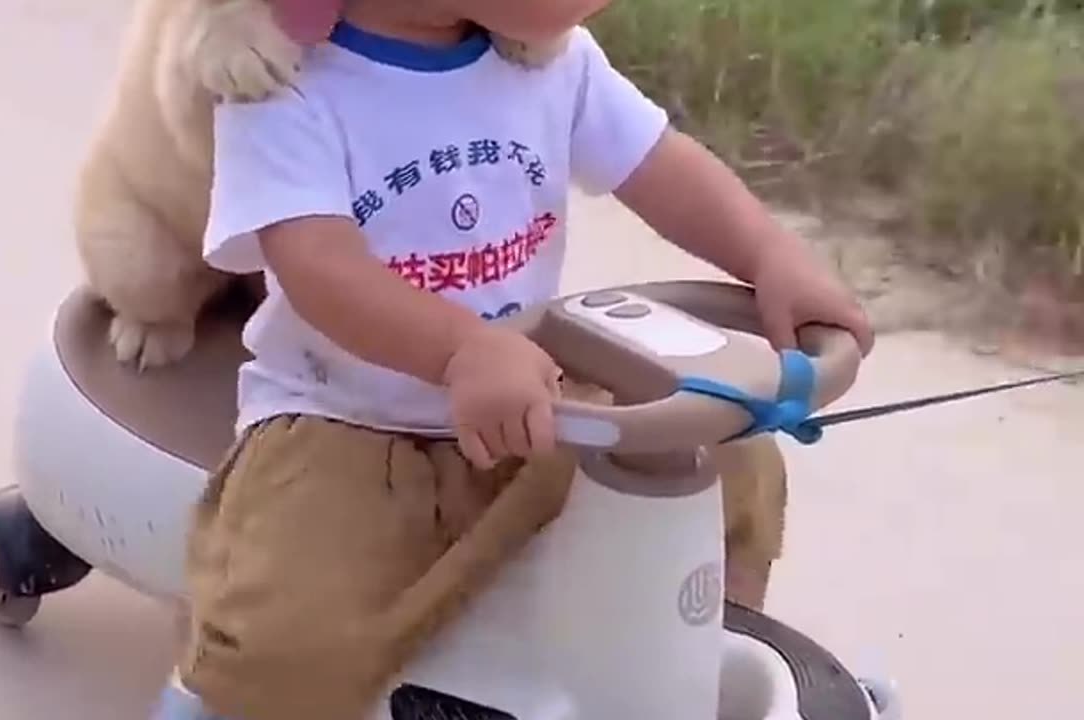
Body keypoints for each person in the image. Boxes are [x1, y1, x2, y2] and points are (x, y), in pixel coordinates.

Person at [154, 1, 875, 718]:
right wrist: (459, 349)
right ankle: (223, 698)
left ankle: (699, 655)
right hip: (350, 421)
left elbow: (660, 164)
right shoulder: (288, 87)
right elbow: (318, 265)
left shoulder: (555, 61)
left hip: (535, 400)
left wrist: (770, 255)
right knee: (288, 634)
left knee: (723, 460)